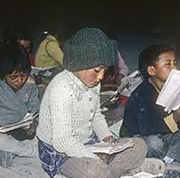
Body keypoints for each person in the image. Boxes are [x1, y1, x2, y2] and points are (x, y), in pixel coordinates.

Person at [37, 28, 165, 178]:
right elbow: (63, 141)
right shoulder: (62, 88)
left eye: (104, 70)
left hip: (88, 143)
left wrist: (107, 137)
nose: (101, 77)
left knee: (139, 145)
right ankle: (123, 170)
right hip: (60, 150)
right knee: (94, 171)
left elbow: (96, 115)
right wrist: (96, 159)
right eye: (97, 70)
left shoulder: (92, 82)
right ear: (80, 63)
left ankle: (114, 171)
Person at [120, 44, 180, 176]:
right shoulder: (143, 93)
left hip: (164, 135)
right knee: (154, 143)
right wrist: (175, 118)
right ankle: (153, 163)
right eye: (167, 64)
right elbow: (146, 127)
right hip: (137, 137)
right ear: (152, 70)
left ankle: (170, 161)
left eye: (174, 63)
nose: (174, 68)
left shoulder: (172, 89)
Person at [0, 45, 50, 177]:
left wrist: (33, 126)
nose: (19, 81)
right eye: (13, 77)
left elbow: (36, 110)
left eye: (23, 76)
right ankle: (28, 151)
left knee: (45, 135)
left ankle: (26, 150)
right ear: (3, 75)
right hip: (4, 135)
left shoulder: (29, 85)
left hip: (24, 134)